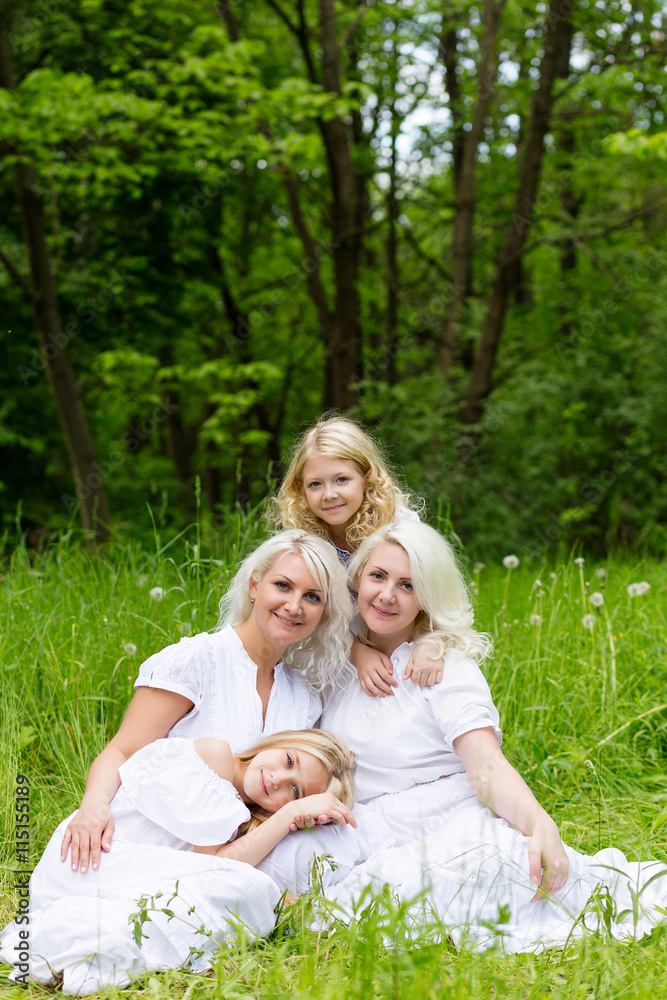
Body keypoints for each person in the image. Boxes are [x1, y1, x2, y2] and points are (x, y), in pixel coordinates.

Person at [318, 521, 667, 952]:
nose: (387, 594)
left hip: (441, 824)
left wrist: (540, 823)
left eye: (408, 585)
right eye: (378, 576)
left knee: (480, 881)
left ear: (427, 598)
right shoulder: (333, 659)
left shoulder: (442, 669)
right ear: (357, 580)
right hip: (358, 828)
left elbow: (486, 766)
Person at [61, 529, 355, 875]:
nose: (294, 606)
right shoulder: (196, 661)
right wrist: (93, 806)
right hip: (131, 841)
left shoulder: (304, 700)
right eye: (283, 586)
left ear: (323, 611)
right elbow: (123, 750)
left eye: (312, 597)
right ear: (254, 585)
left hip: (209, 865)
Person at [1, 729, 357, 993]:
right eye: (288, 760)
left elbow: (215, 867)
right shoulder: (216, 756)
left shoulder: (237, 813)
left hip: (110, 867)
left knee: (252, 889)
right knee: (252, 888)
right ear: (279, 741)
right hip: (93, 855)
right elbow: (218, 865)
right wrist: (291, 812)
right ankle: (89, 943)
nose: (276, 779)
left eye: (294, 791)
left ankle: (99, 948)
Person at [272, 414, 441, 697]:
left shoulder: (400, 529)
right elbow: (307, 614)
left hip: (403, 643)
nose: (329, 494)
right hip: (334, 649)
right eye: (315, 484)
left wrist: (431, 644)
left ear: (366, 477)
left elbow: (438, 602)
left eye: (341, 480)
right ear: (300, 488)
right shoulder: (304, 540)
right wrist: (357, 652)